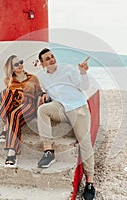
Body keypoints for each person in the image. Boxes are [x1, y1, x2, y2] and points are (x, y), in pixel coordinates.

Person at [36, 48, 95, 200]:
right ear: (42, 63)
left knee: (84, 141)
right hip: (61, 107)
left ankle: (90, 181)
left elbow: (84, 86)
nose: (52, 59)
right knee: (42, 110)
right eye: (47, 59)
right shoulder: (42, 76)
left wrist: (83, 73)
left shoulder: (68, 69)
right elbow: (42, 89)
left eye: (52, 56)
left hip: (78, 107)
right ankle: (48, 152)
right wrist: (43, 95)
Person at [0, 55, 44, 168]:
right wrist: (9, 86)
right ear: (11, 68)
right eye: (16, 64)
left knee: (14, 114)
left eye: (21, 62)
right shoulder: (8, 80)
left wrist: (44, 95)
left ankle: (11, 153)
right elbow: (6, 100)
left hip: (28, 105)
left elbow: (39, 92)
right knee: (5, 93)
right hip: (13, 105)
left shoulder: (33, 78)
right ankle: (6, 125)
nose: (20, 65)